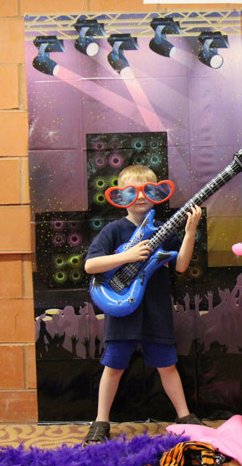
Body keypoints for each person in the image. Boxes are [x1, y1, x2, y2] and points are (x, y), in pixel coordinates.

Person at [83, 164, 203, 446]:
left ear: (157, 193)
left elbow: (182, 266)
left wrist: (189, 233)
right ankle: (100, 421)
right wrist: (128, 256)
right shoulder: (114, 230)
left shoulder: (164, 230)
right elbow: (90, 265)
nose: (139, 196)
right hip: (121, 311)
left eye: (147, 190)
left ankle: (184, 416)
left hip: (156, 311)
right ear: (120, 197)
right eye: (131, 191)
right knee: (113, 367)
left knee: (167, 366)